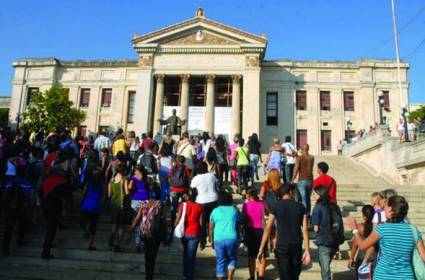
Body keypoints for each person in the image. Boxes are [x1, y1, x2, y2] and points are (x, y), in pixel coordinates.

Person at [348, 195, 425, 280]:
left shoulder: (382, 229)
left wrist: (355, 230)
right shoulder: (413, 230)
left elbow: (362, 246)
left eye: (386, 206)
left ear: (391, 210)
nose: (383, 209)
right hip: (406, 276)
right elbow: (423, 256)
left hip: (383, 276)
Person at [257, 183, 311, 280]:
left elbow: (268, 228)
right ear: (290, 192)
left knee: (284, 275)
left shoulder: (276, 206)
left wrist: (261, 248)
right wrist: (307, 250)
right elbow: (305, 229)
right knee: (295, 275)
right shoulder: (301, 207)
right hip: (296, 244)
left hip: (282, 245)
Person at [131, 184, 168, 280]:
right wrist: (166, 234)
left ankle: (148, 274)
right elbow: (164, 220)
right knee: (153, 255)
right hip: (156, 233)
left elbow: (137, 218)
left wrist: (132, 228)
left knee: (147, 254)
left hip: (145, 233)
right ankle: (149, 275)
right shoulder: (161, 204)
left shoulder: (144, 203)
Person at [311, 185, 344, 280]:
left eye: (314, 194)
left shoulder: (317, 207)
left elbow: (316, 228)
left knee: (325, 269)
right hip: (335, 241)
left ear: (319, 195)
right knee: (326, 266)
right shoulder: (335, 206)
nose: (312, 196)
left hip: (324, 241)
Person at [209, 191, 240, 280]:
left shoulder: (215, 211)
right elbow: (238, 225)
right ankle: (230, 278)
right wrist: (238, 238)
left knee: (220, 261)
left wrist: (211, 239)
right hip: (232, 238)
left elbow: (211, 227)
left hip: (218, 239)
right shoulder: (234, 210)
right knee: (232, 259)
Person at [175, 188, 203, 280]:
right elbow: (201, 223)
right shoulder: (200, 207)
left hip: (184, 233)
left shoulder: (182, 206)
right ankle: (189, 275)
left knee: (186, 252)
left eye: (185, 194)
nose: (183, 196)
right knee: (191, 255)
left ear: (188, 196)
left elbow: (178, 219)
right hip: (195, 233)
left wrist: (174, 226)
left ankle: (186, 272)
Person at [40, 165, 67, 259]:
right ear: (58, 172)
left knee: (48, 227)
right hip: (55, 207)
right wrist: (63, 209)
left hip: (45, 205)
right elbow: (63, 197)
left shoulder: (45, 180)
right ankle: (46, 252)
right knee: (52, 229)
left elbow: (41, 193)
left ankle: (46, 244)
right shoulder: (61, 181)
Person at [191, 161, 218, 249]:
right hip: (213, 200)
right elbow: (216, 186)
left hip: (201, 202)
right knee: (213, 222)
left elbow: (193, 191)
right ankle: (213, 240)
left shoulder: (196, 178)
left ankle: (202, 241)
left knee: (201, 223)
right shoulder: (212, 176)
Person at [242, 189, 267, 280]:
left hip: (250, 231)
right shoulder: (262, 203)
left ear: (249, 195)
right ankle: (261, 277)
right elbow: (267, 214)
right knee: (262, 255)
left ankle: (252, 276)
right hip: (261, 231)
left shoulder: (246, 205)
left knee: (251, 256)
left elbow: (244, 220)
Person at [80, 166, 104, 250]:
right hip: (95, 205)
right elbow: (103, 195)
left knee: (87, 220)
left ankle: (86, 229)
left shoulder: (89, 182)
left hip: (86, 204)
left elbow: (84, 193)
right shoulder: (102, 184)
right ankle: (90, 244)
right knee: (94, 225)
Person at [126, 165, 149, 252]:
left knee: (136, 221)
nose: (134, 171)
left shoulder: (134, 178)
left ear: (137, 170)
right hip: (145, 200)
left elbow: (129, 187)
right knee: (143, 222)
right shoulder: (146, 177)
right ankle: (143, 243)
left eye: (135, 170)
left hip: (136, 200)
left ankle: (137, 243)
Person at [348, 205, 375, 277]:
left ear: (364, 216)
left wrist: (352, 258)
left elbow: (355, 244)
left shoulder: (360, 227)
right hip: (374, 258)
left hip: (361, 258)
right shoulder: (376, 227)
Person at [169, 155, 191, 242]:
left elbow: (169, 178)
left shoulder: (173, 168)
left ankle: (172, 220)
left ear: (177, 161)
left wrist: (172, 185)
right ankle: (184, 218)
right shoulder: (186, 168)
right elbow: (188, 179)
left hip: (174, 189)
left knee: (173, 205)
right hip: (184, 190)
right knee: (184, 205)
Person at [107, 165, 128, 251]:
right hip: (122, 205)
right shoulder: (124, 179)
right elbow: (127, 192)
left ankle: (112, 234)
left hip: (113, 205)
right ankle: (117, 243)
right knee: (121, 226)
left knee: (114, 223)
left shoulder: (111, 180)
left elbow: (109, 194)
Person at [292, 144, 314, 215]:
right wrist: (297, 156)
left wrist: (293, 179)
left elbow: (296, 169)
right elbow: (305, 160)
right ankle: (308, 214)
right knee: (308, 199)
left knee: (302, 199)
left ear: (301, 149)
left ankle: (304, 216)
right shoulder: (312, 157)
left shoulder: (300, 158)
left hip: (302, 180)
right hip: (310, 180)